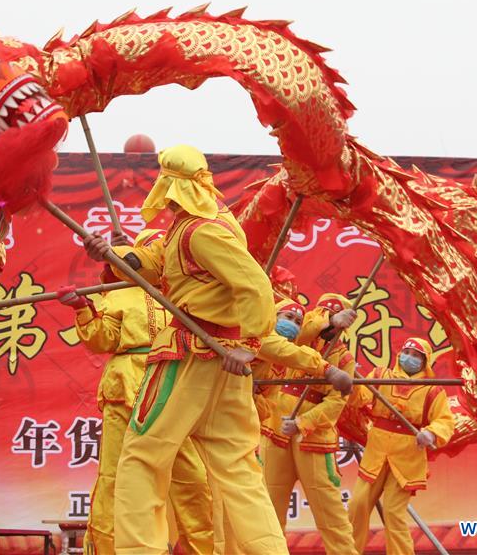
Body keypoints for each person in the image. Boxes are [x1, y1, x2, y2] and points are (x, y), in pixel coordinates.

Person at [82, 145, 349, 553]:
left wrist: (250, 343)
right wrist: (117, 256)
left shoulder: (203, 230)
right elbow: (155, 261)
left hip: (192, 355)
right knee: (239, 470)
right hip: (219, 364)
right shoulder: (197, 224)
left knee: (142, 457)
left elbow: (255, 286)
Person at [58, 229, 213, 554]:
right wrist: (83, 309)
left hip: (172, 386)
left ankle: (201, 548)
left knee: (192, 477)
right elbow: (103, 339)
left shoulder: (186, 293)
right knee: (114, 477)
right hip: (125, 384)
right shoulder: (117, 291)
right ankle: (107, 549)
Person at [260, 293, 359, 554]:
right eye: (323, 314)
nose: (328, 322)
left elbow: (336, 403)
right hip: (275, 431)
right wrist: (328, 320)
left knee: (329, 512)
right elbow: (303, 327)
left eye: (337, 319)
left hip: (312, 439)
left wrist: (303, 422)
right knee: (268, 506)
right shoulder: (300, 341)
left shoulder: (345, 359)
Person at [347, 337, 455, 555]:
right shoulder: (380, 376)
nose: (410, 358)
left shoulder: (431, 390)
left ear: (425, 362)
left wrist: (430, 433)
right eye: (407, 352)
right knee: (357, 505)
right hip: (376, 451)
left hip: (406, 457)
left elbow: (445, 421)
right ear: (399, 355)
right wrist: (351, 381)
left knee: (393, 512)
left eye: (417, 356)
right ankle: (347, 552)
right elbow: (359, 399)